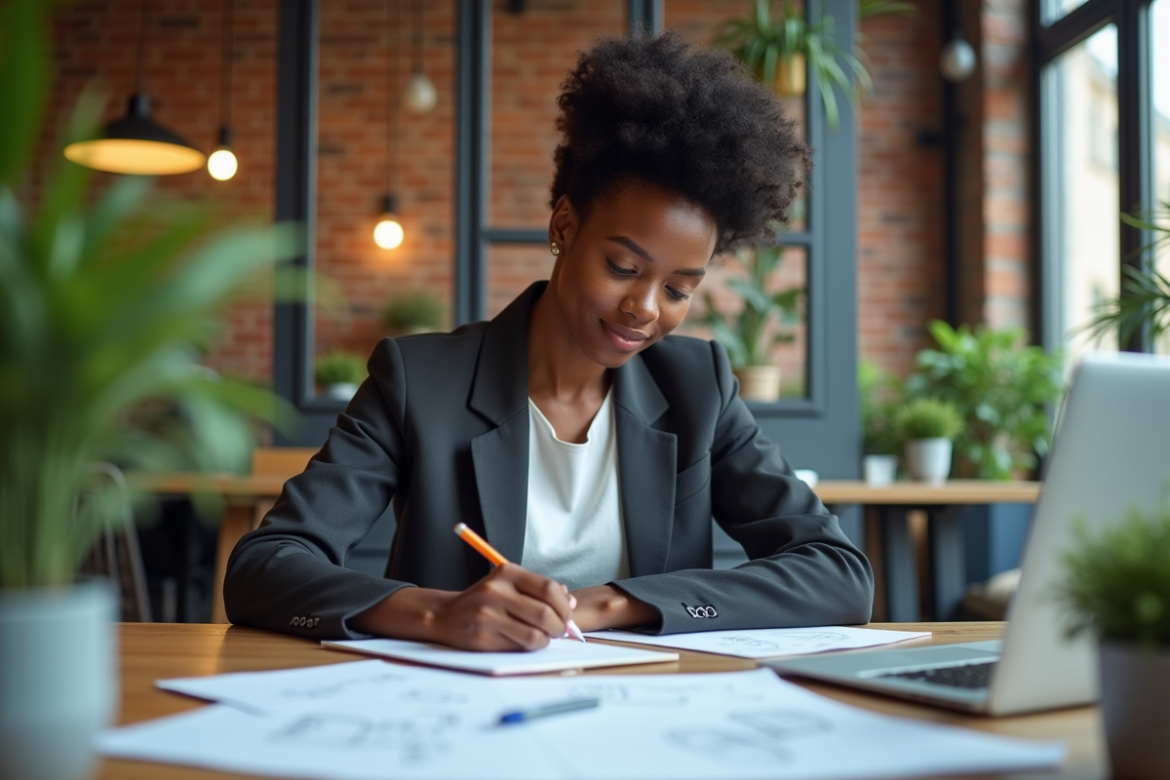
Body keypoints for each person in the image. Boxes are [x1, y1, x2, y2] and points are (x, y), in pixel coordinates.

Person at [225, 31, 873, 650]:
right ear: (564, 225)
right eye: (623, 267)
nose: (643, 308)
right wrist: (434, 611)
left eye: (678, 289)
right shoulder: (419, 382)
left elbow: (839, 575)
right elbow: (264, 567)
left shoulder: (697, 387)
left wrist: (611, 603)